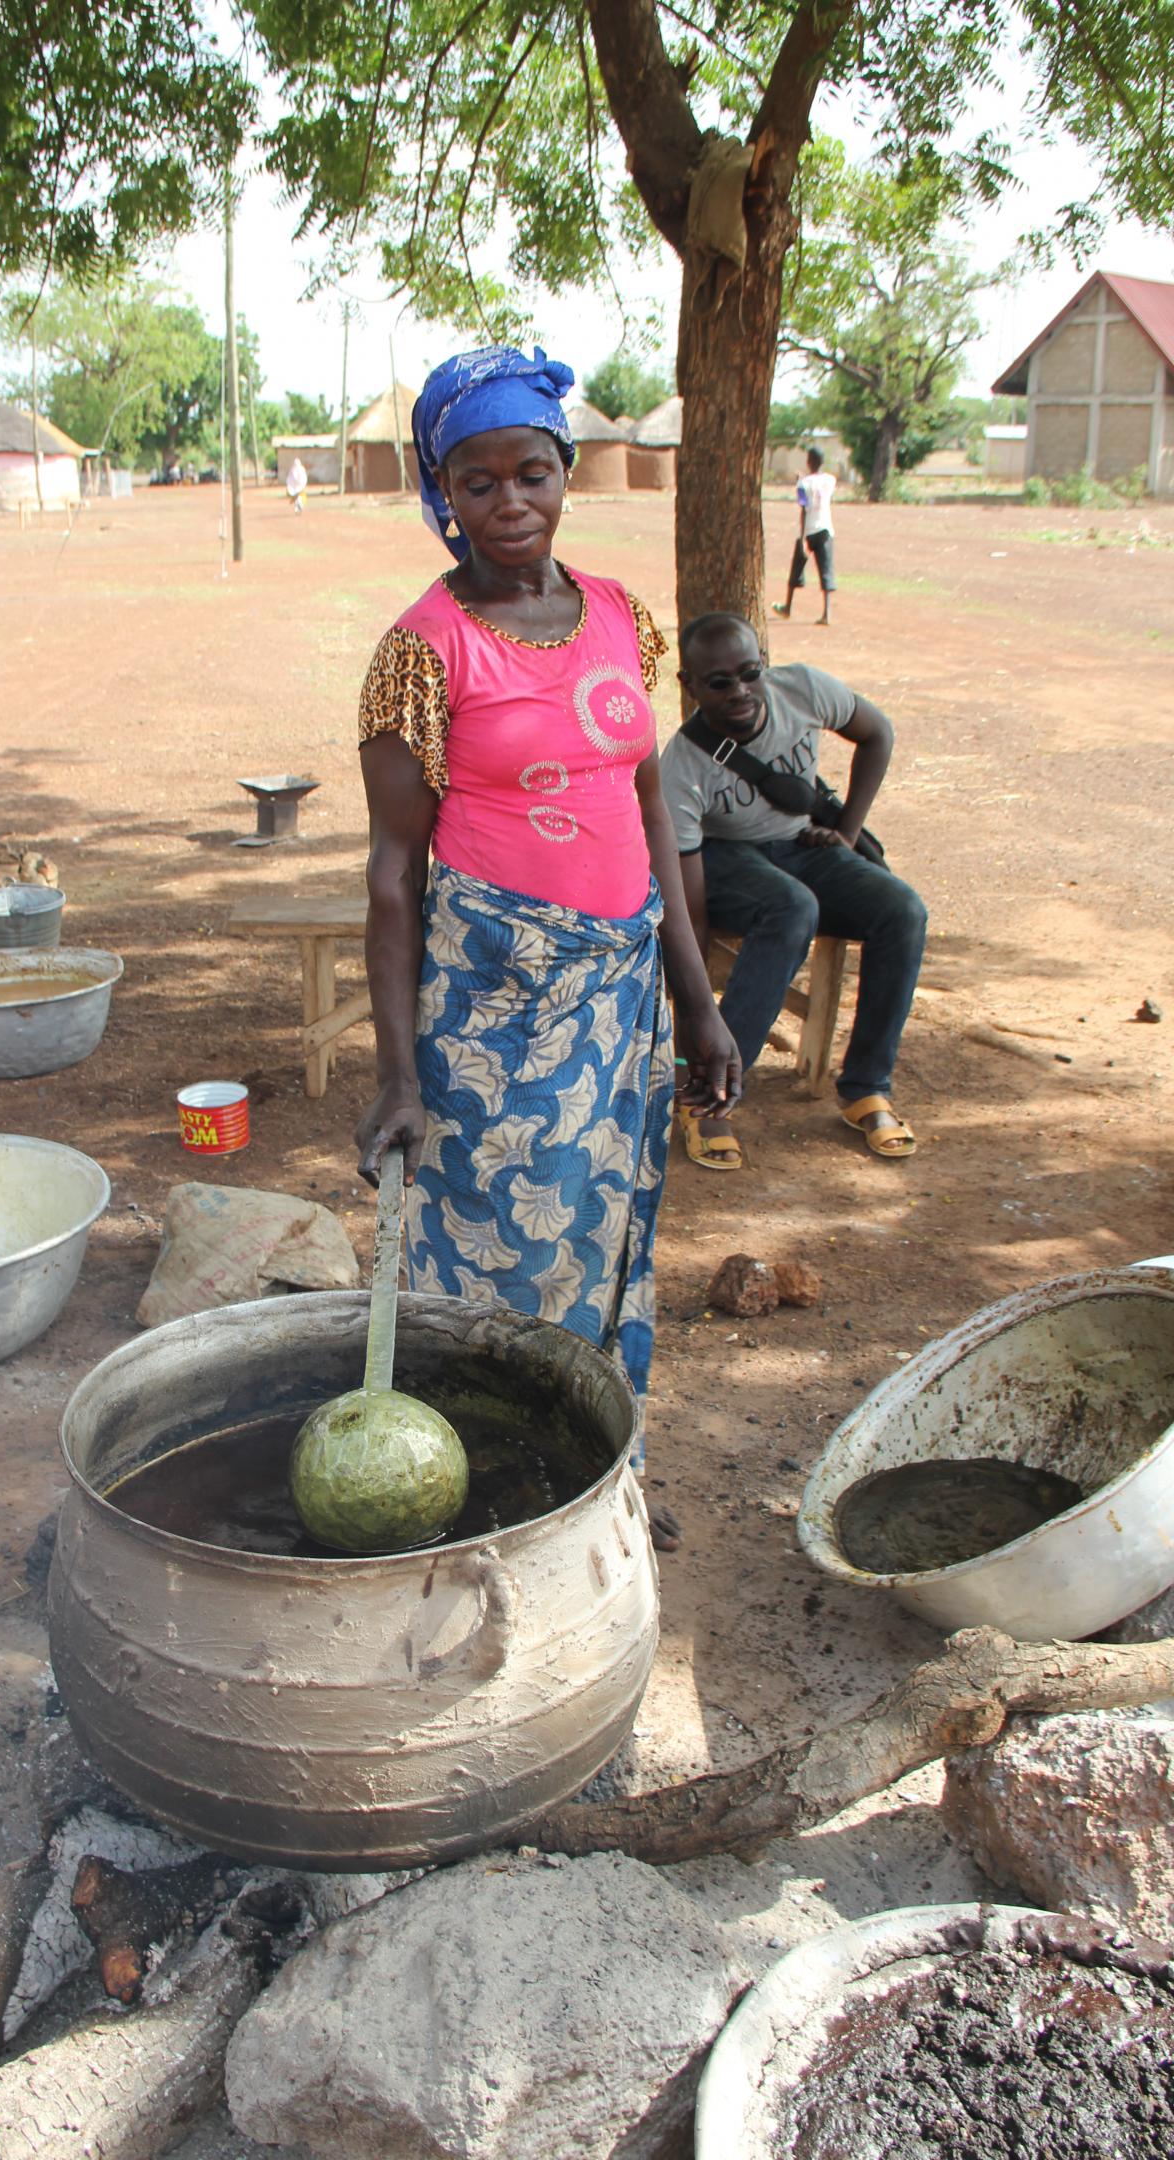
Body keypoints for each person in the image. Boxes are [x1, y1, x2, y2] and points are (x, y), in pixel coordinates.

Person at [355, 344, 739, 1486]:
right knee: (498, 1257)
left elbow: (650, 812)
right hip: (492, 1011)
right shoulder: (423, 653)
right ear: (443, 496)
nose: (509, 503)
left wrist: (699, 1001)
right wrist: (399, 1073)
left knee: (615, 1241)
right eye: (478, 483)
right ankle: (481, 1478)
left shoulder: (623, 615)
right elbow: (391, 875)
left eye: (531, 472)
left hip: (621, 1002)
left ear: (566, 471)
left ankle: (594, 1471)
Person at [659, 611, 926, 1170]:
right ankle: (711, 1096)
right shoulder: (681, 767)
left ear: (765, 667)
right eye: (719, 682)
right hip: (722, 857)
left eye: (750, 673)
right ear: (689, 687)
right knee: (790, 908)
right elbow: (691, 911)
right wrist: (690, 1041)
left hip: (802, 844)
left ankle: (866, 1087)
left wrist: (847, 833)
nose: (740, 691)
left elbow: (877, 733)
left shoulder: (803, 689)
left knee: (901, 909)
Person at [773, 446, 836, 625]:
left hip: (808, 531)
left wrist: (801, 539)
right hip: (826, 530)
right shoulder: (831, 480)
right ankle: (827, 613)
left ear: (808, 461)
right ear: (822, 462)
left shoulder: (803, 484)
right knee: (826, 570)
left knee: (796, 569)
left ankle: (787, 607)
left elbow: (803, 507)